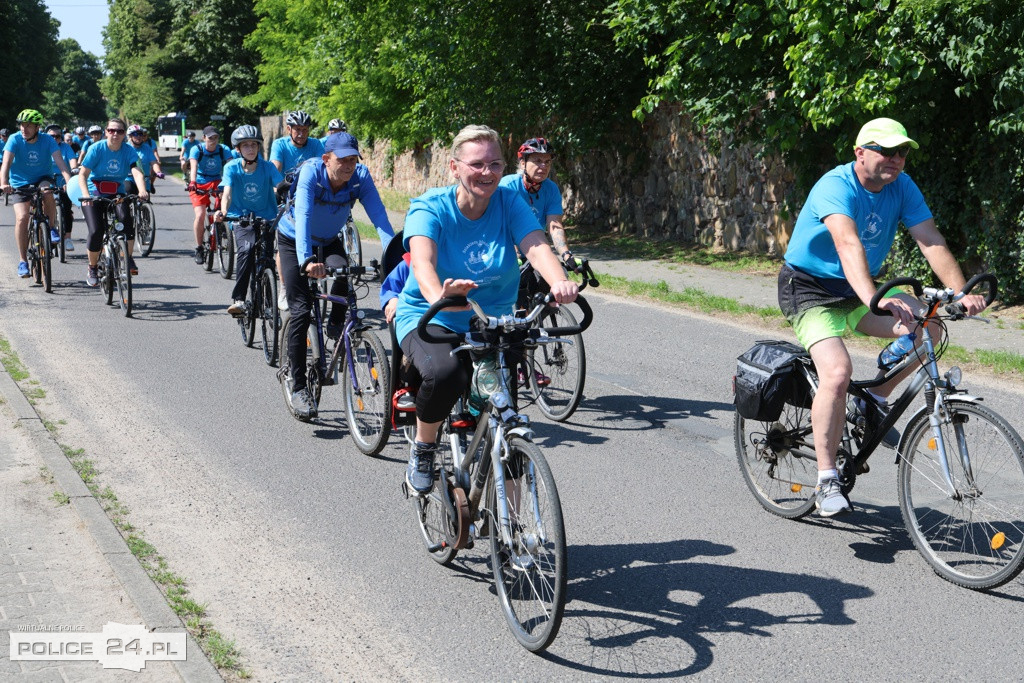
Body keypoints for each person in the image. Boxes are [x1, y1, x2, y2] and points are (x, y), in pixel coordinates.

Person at [778, 117, 987, 517]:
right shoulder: (835, 186)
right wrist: (877, 298)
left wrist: (960, 293)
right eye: (886, 151)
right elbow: (847, 242)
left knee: (930, 324)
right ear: (860, 153)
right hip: (810, 289)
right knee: (837, 373)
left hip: (859, 288)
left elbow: (930, 240)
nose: (895, 159)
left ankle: (873, 398)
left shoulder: (902, 186)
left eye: (902, 152)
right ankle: (825, 481)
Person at [395, 124, 578, 494]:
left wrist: (558, 279)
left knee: (503, 413)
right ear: (454, 167)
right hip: (431, 316)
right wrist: (439, 297)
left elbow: (535, 244)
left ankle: (514, 539)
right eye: (477, 164)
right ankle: (425, 446)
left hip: (494, 321)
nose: (487, 173)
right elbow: (423, 264)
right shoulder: (430, 206)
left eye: (495, 164)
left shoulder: (509, 202)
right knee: (446, 374)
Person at [276, 131, 393, 421]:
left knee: (346, 274)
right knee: (302, 311)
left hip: (328, 240)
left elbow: (379, 216)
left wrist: (395, 257)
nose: (349, 165)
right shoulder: (312, 175)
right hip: (294, 241)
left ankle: (336, 323)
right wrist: (305, 261)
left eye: (353, 158)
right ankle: (299, 387)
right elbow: (302, 216)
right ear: (327, 158)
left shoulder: (360, 177)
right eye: (343, 159)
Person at [68, 117, 149, 286]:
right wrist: (86, 195)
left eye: (119, 131)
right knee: (96, 231)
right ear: (106, 132)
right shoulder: (96, 148)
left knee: (127, 222)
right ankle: (92, 267)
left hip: (116, 193)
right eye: (111, 130)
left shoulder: (128, 150)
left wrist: (142, 190)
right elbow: (82, 175)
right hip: (93, 193)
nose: (115, 134)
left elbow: (136, 171)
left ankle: (128, 258)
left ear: (124, 135)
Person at [214, 125, 283, 317]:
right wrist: (223, 211)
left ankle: (269, 304)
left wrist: (290, 195)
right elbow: (226, 193)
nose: (251, 149)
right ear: (238, 149)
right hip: (240, 218)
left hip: (266, 218)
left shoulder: (268, 167)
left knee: (267, 261)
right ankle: (240, 300)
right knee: (246, 250)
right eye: (246, 145)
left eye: (254, 145)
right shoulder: (231, 167)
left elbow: (280, 185)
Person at [0, 109, 73, 277]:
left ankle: (52, 227)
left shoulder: (48, 140)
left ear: (37, 127)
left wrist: (69, 181)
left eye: (28, 126)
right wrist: (4, 183)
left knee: (47, 191)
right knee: (22, 218)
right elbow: (6, 164)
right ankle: (23, 261)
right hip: (20, 182)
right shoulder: (14, 139)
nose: (24, 129)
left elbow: (61, 163)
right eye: (21, 125)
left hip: (42, 177)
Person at [187, 126, 232, 264]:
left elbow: (231, 166)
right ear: (204, 138)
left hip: (217, 181)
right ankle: (199, 247)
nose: (213, 140)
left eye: (216, 137)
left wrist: (230, 182)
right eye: (210, 138)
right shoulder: (197, 150)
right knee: (200, 215)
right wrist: (192, 181)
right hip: (199, 182)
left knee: (225, 201)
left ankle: (221, 226)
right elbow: (193, 167)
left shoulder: (223, 149)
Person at [46, 123, 78, 251]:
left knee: (66, 209)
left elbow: (72, 159)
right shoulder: (43, 146)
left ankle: (68, 238)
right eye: (52, 136)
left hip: (63, 181)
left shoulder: (66, 147)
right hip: (46, 180)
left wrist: (74, 168)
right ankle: (44, 229)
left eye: (58, 136)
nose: (55, 139)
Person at [270, 110, 324, 175]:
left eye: (305, 130)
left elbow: (322, 167)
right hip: (285, 184)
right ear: (289, 129)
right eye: (298, 129)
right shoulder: (279, 144)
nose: (301, 134)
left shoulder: (316, 144)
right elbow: (275, 169)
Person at [126, 124, 163, 194]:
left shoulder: (147, 148)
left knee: (145, 200)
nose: (139, 136)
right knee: (127, 195)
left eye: (140, 134)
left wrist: (158, 172)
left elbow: (154, 162)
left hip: (144, 179)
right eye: (135, 134)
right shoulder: (125, 148)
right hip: (129, 179)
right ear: (130, 136)